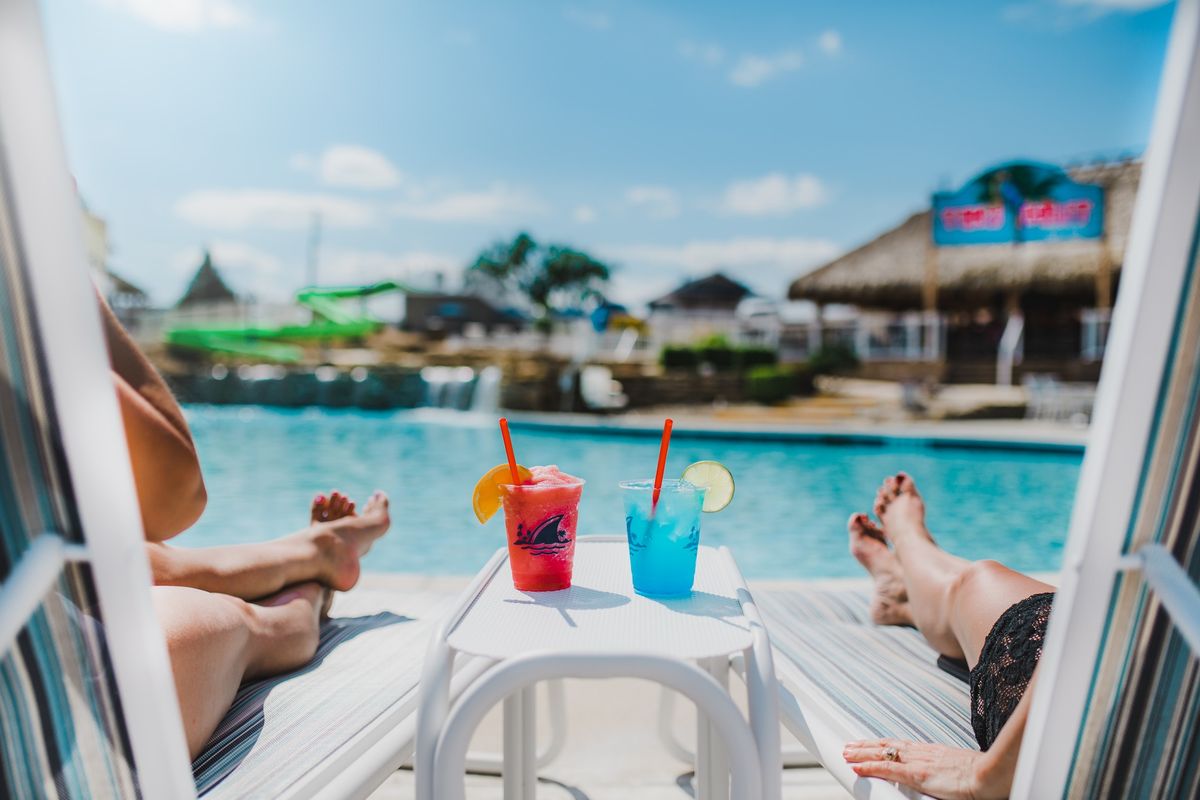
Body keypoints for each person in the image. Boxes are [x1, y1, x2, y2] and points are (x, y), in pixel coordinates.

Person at [100, 295, 391, 758]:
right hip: (87, 700)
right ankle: (314, 584)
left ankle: (318, 549)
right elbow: (174, 498)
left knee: (138, 562)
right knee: (237, 623)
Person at [841, 472, 1054, 800]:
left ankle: (908, 548)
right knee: (980, 584)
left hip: (1060, 708)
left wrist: (988, 774)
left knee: (976, 583)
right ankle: (904, 588)